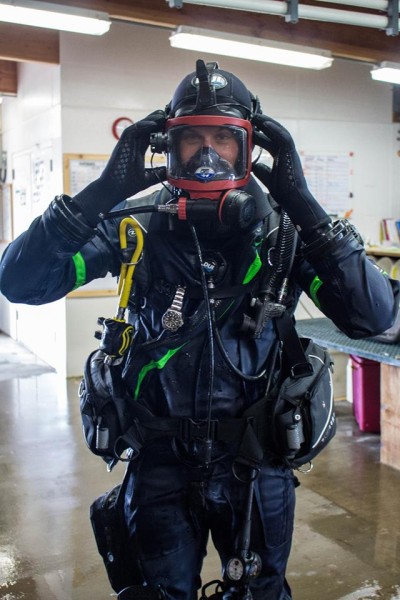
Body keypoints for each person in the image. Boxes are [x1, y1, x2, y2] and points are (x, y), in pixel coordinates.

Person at [0, 59, 398, 600]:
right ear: (168, 145)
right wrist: (97, 195)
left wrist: (304, 203)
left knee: (261, 593)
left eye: (224, 139)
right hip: (159, 463)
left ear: (250, 146)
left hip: (257, 466)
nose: (208, 155)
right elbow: (21, 281)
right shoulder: (135, 226)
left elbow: (374, 317)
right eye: (193, 139)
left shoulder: (283, 232)